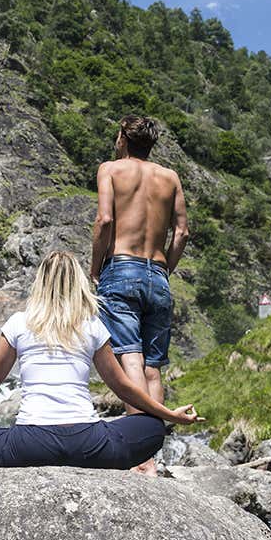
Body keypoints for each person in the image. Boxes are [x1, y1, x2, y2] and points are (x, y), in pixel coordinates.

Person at [0, 251, 201, 469]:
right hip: (89, 443)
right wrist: (168, 415)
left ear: (40, 283)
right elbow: (123, 387)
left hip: (27, 445)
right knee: (151, 428)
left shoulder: (19, 323)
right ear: (78, 284)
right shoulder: (91, 324)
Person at [89, 114, 188, 475]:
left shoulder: (111, 169)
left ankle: (139, 457)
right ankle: (152, 453)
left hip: (121, 268)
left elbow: (104, 220)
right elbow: (182, 233)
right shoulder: (170, 177)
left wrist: (96, 269)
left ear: (121, 138)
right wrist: (165, 269)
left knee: (129, 358)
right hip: (158, 274)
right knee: (152, 367)